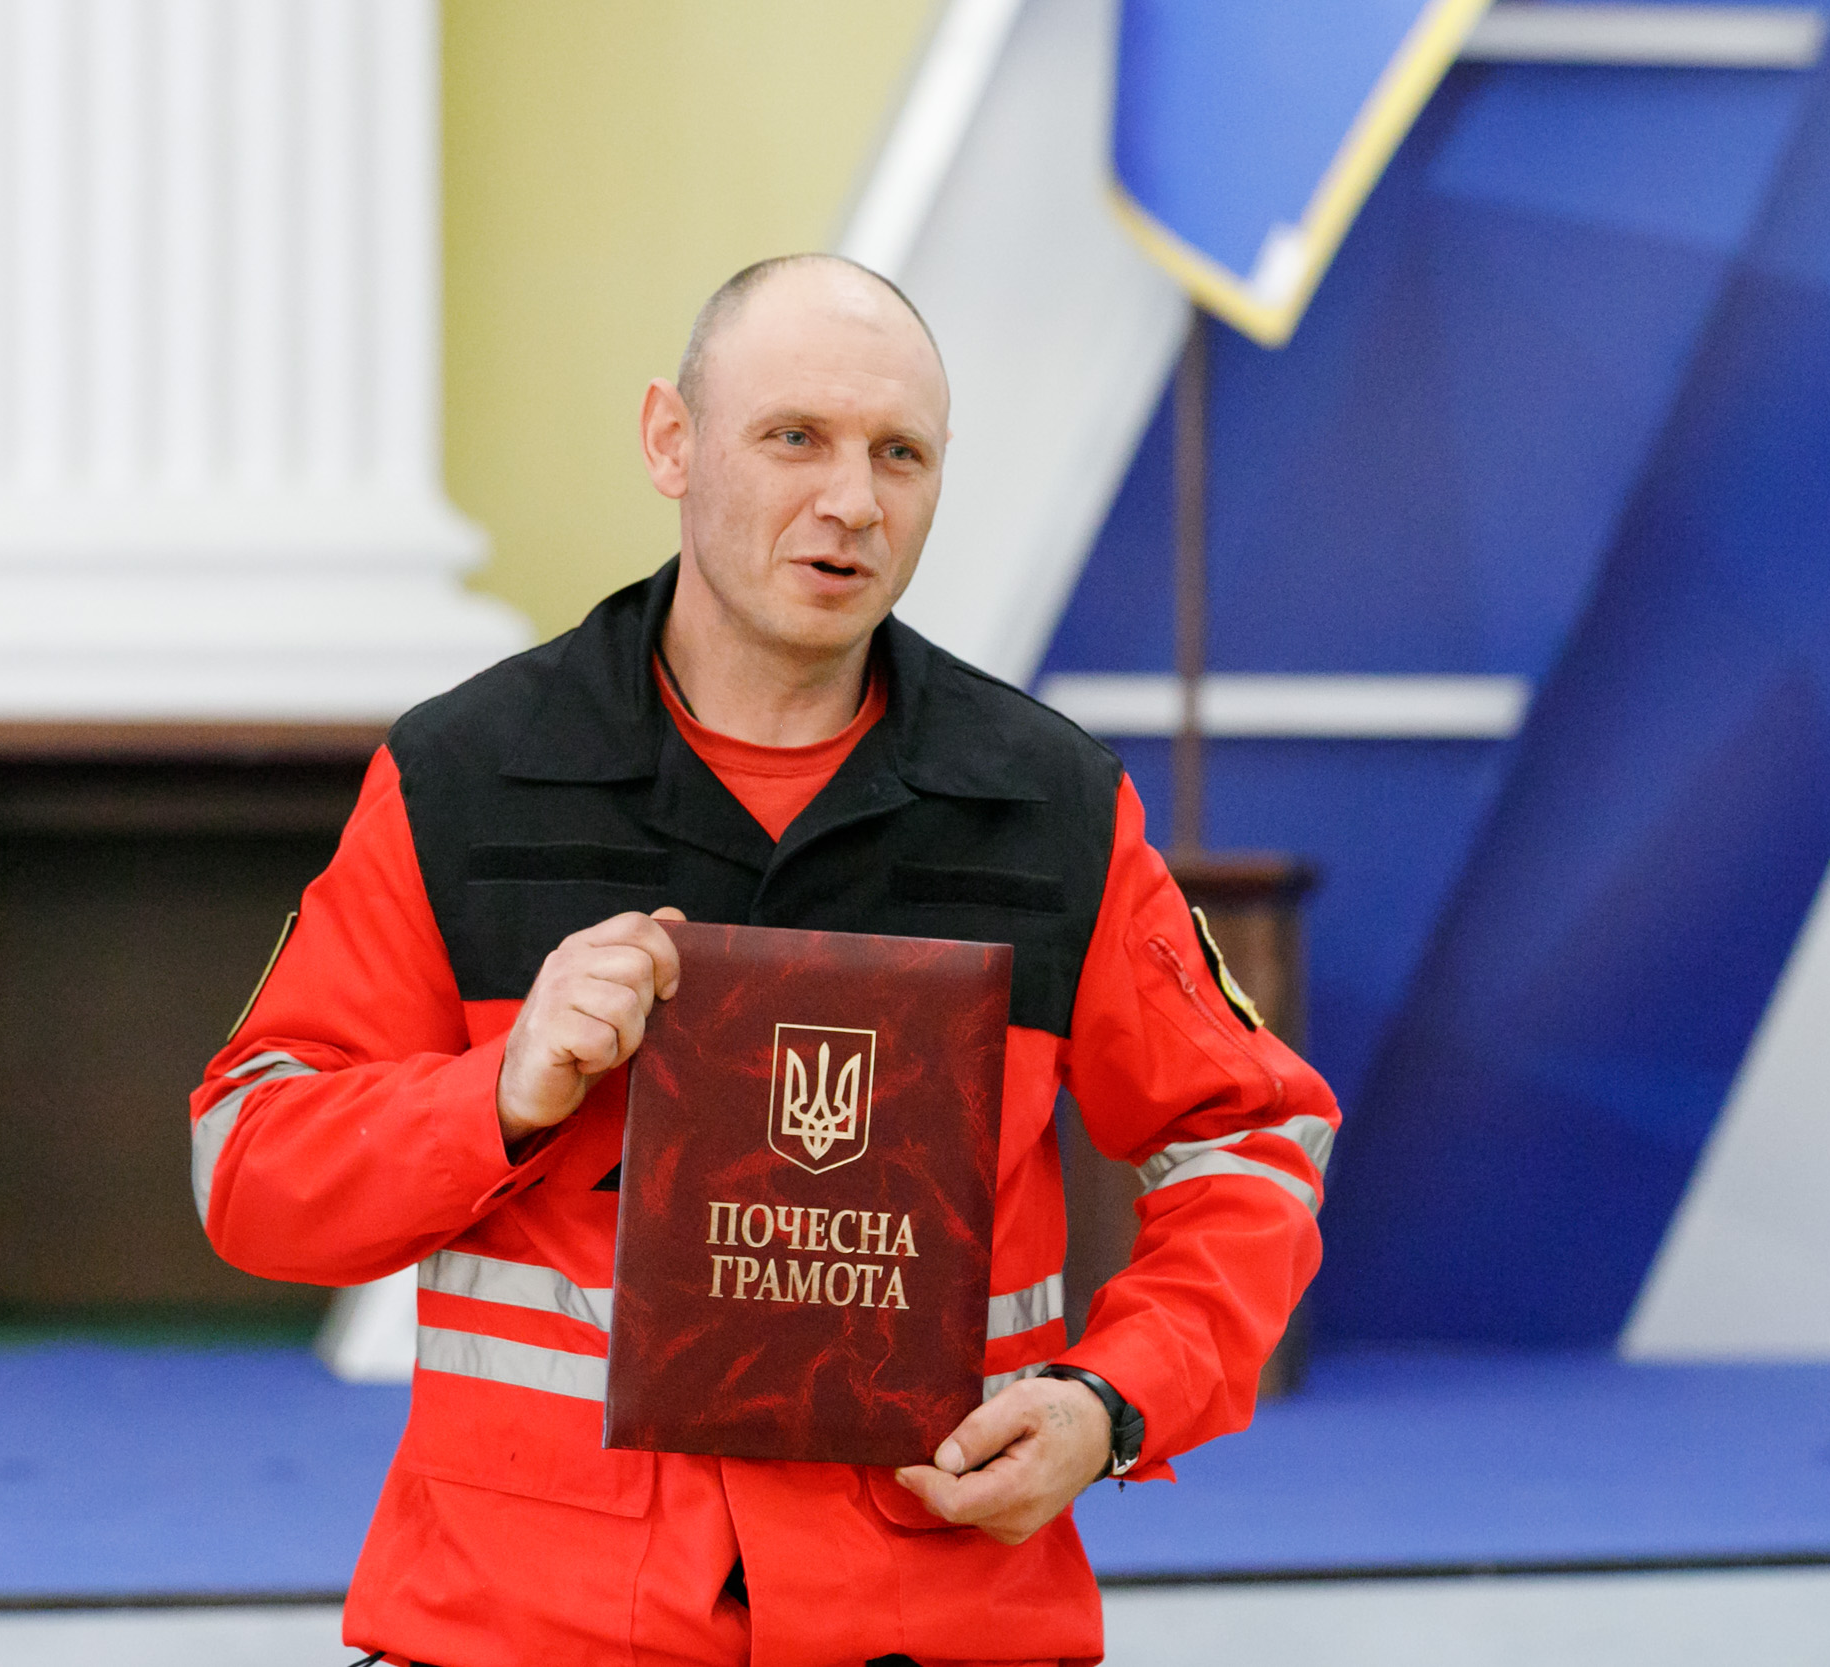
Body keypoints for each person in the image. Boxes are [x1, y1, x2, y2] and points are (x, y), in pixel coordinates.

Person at [190, 254, 1337, 1667]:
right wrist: (498, 1092)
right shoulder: (466, 782)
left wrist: (1112, 1404)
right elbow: (249, 1170)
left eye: (900, 454)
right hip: (527, 1629)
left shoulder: (1047, 809)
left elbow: (1254, 1143)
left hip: (933, 1618)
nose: (853, 501)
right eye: (795, 436)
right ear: (671, 442)